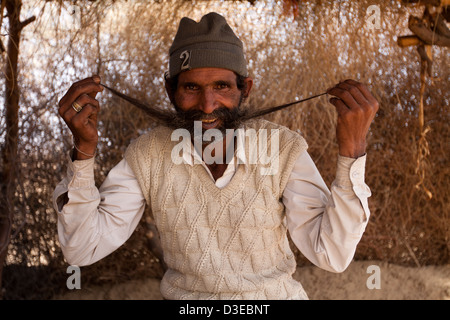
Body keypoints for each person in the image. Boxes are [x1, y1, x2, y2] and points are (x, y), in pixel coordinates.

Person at [53, 12, 378, 300]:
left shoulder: (280, 147)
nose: (207, 105)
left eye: (221, 86)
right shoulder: (149, 154)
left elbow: (332, 254)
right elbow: (81, 247)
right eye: (192, 88)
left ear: (245, 88)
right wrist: (84, 150)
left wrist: (352, 151)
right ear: (170, 91)